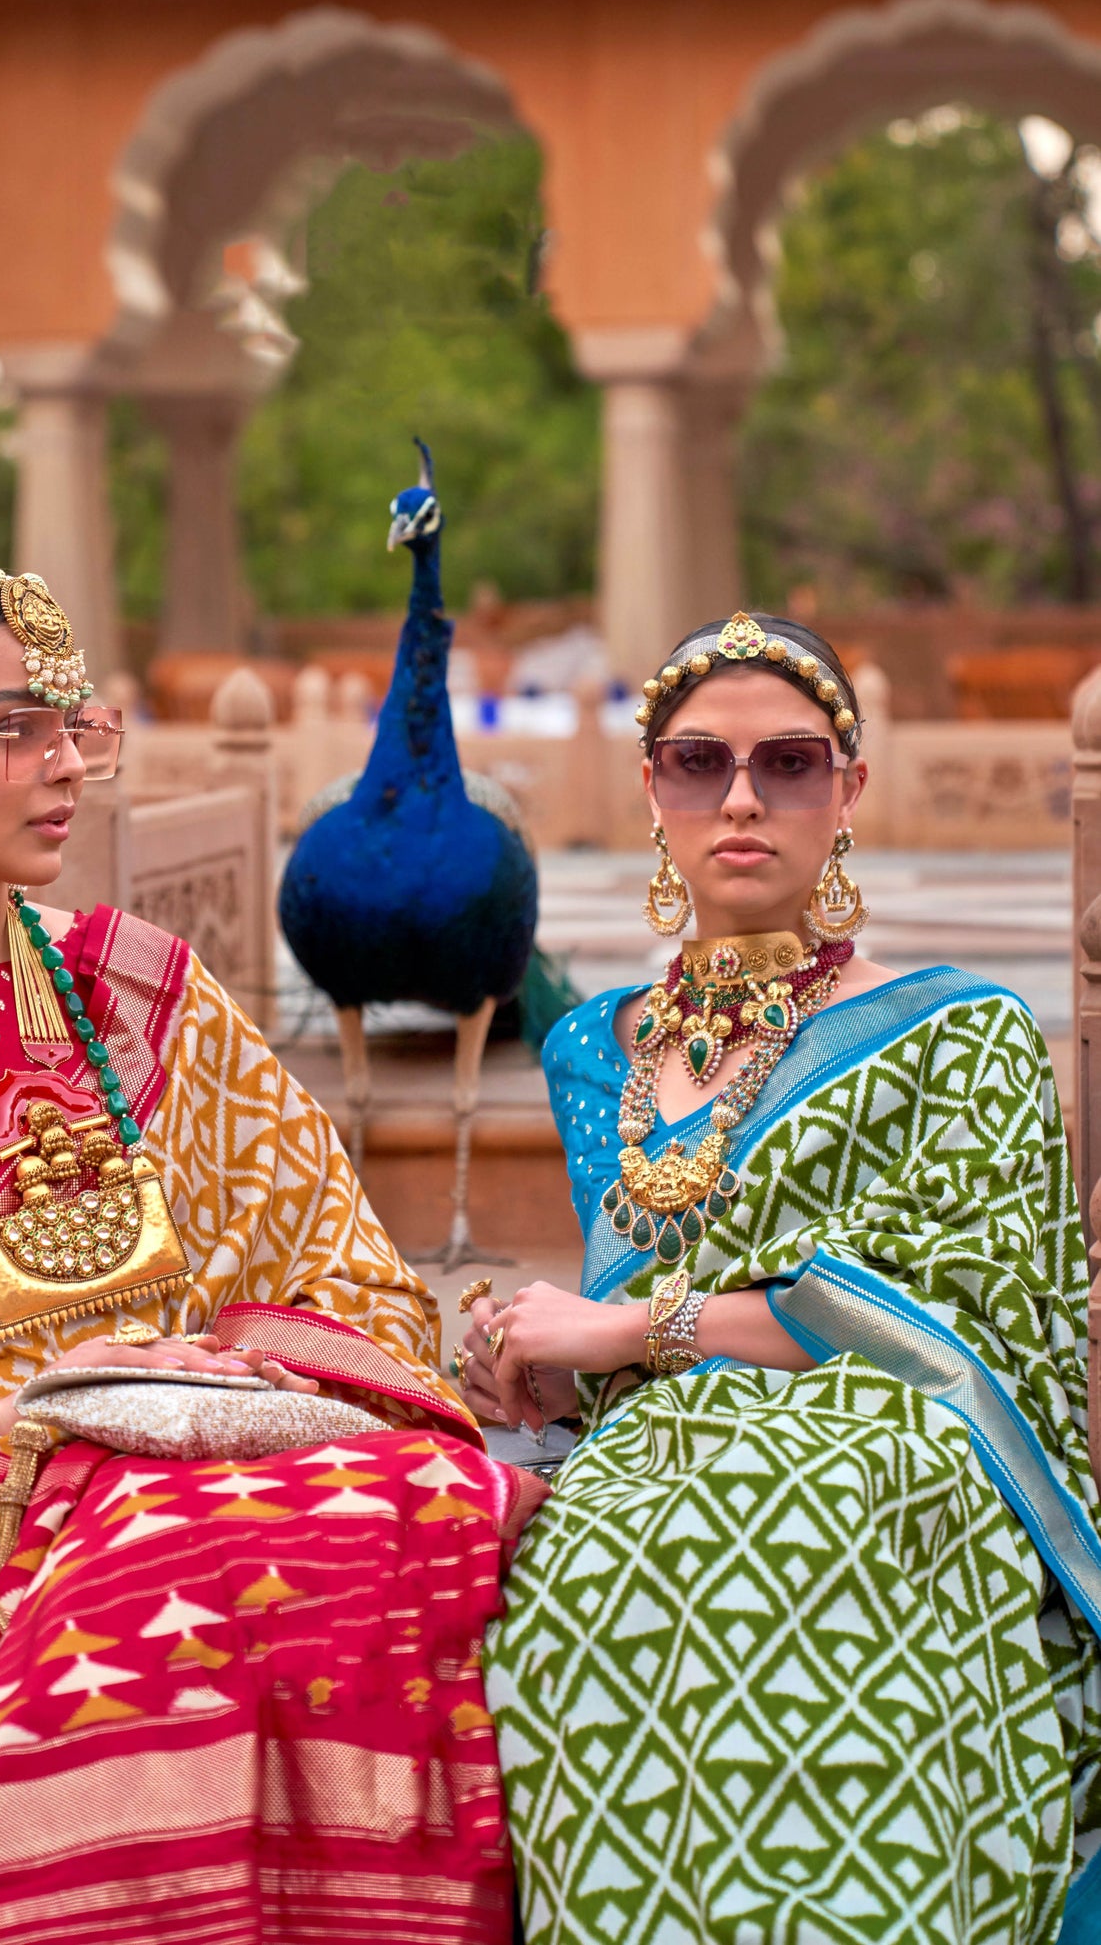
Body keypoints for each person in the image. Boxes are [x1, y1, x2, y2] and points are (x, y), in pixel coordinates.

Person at [0, 562, 544, 1945]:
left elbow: (353, 1277)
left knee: (420, 1529)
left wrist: (191, 1383)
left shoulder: (141, 983)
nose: (64, 762)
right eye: (14, 726)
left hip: (200, 1445)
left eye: (78, 725)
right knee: (188, 1579)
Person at [460, 612, 1101, 1945]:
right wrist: (524, 1335)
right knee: (591, 1549)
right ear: (649, 788)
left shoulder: (962, 1032)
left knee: (803, 1514)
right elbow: (607, 1310)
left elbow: (973, 1326)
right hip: (654, 1451)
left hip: (891, 1442)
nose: (741, 796)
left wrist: (631, 1321)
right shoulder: (597, 1047)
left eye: (789, 763)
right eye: (696, 762)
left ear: (847, 790)